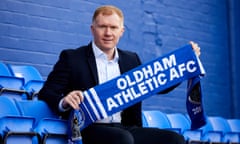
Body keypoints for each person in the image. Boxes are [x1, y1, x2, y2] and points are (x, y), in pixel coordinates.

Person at [39, 5, 200, 144]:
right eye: (102, 26)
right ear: (92, 29)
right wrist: (64, 101)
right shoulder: (72, 58)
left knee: (174, 139)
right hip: (88, 128)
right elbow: (47, 92)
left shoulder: (131, 59)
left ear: (121, 31)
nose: (108, 32)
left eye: (114, 27)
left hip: (126, 128)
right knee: (122, 139)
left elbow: (159, 84)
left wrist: (185, 64)